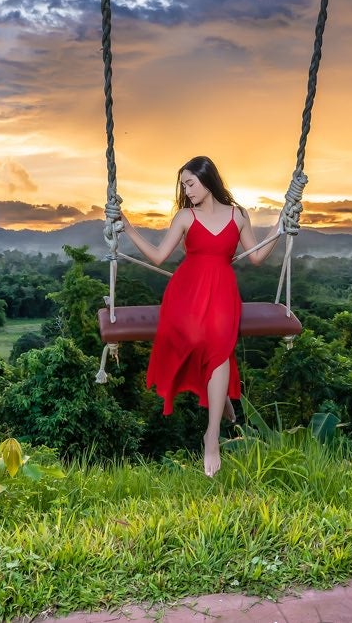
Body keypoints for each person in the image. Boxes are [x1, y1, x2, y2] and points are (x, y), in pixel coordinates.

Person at [118, 156, 282, 477]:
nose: (187, 190)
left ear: (208, 179)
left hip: (222, 290)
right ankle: (221, 399)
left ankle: (211, 436)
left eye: (191, 183)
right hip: (186, 290)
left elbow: (258, 257)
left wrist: (281, 228)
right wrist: (127, 228)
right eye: (183, 185)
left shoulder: (239, 216)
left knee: (218, 343)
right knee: (194, 338)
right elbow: (158, 255)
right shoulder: (184, 216)